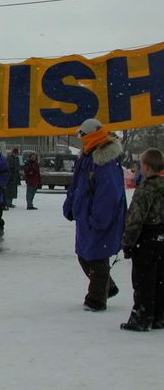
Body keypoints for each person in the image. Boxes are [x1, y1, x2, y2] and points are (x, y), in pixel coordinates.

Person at [63, 118, 126, 312]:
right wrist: (70, 206)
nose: (80, 138)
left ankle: (96, 299)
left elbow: (109, 194)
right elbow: (76, 185)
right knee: (84, 255)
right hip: (85, 216)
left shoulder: (104, 160)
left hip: (98, 218)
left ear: (90, 135)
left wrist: (98, 218)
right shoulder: (87, 157)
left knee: (97, 257)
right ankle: (108, 286)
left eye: (82, 134)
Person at [120, 148, 164, 331]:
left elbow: (135, 219)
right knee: (160, 279)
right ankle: (159, 316)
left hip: (147, 237)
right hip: (162, 236)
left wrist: (128, 243)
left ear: (145, 167)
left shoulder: (145, 189)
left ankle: (142, 316)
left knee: (143, 279)